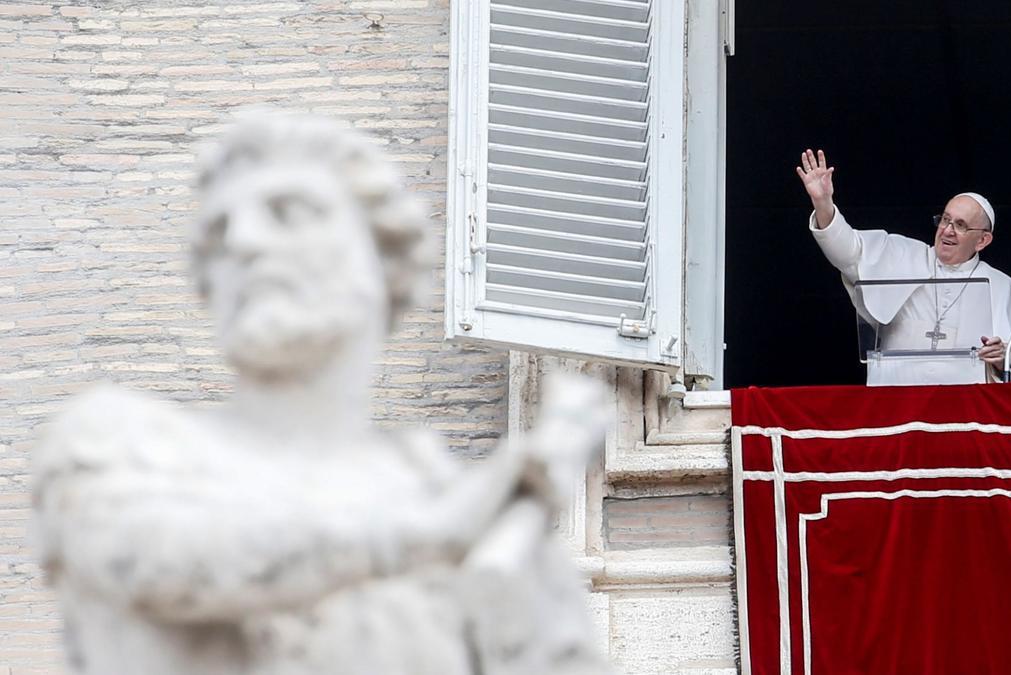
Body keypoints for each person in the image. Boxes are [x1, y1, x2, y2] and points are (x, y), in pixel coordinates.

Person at [32, 113, 611, 675]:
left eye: (289, 212)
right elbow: (153, 560)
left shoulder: (464, 502)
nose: (243, 242)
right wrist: (423, 534)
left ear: (383, 261)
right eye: (217, 233)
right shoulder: (125, 441)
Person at [796, 148, 1011, 383]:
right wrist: (823, 204)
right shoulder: (901, 254)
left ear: (982, 240)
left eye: (960, 225)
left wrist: (1004, 358)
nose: (947, 230)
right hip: (898, 407)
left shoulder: (1005, 288)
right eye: (945, 220)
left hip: (966, 414)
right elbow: (848, 252)